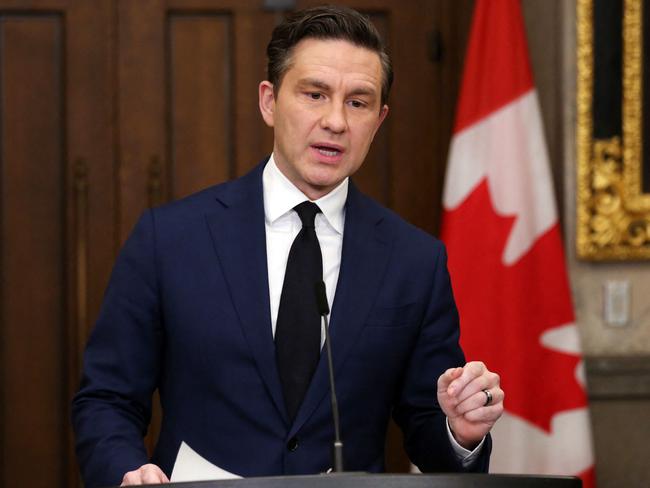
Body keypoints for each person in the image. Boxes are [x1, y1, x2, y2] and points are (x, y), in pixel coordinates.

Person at [72, 5, 504, 487]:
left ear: (379, 120)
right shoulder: (169, 239)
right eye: (315, 94)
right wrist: (126, 471)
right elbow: (106, 399)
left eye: (358, 103)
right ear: (269, 101)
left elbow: (429, 428)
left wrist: (460, 434)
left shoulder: (414, 261)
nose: (336, 121)